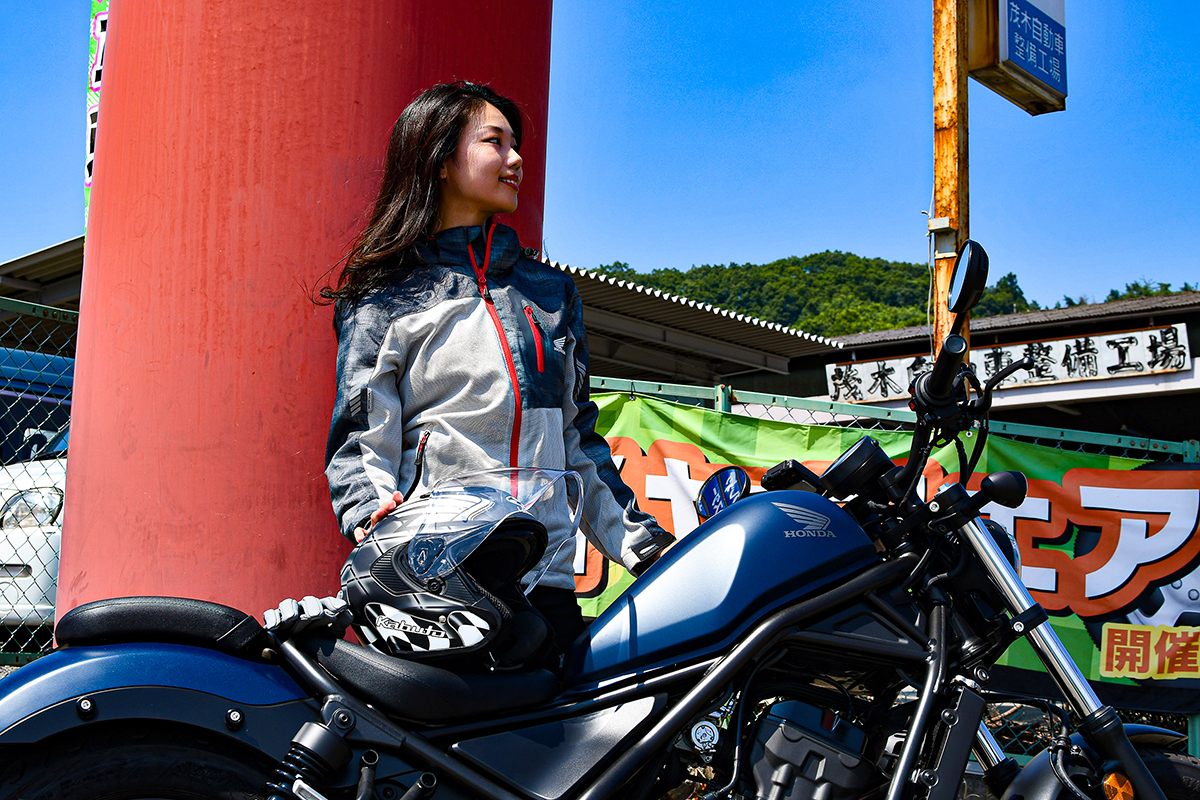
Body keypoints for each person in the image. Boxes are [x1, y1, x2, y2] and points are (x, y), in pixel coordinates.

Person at [320, 81, 673, 660]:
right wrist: (374, 524)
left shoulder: (550, 294)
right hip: (438, 588)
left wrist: (644, 549)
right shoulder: (383, 300)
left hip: (550, 585)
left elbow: (576, 442)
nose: (517, 160)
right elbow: (362, 445)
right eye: (495, 142)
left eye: (517, 145)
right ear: (438, 158)